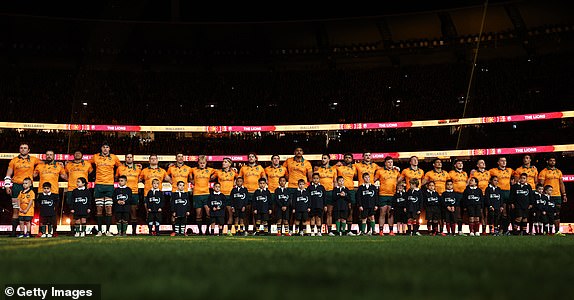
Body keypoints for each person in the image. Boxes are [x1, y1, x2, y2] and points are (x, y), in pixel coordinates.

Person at [5, 144, 41, 237]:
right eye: (21, 148)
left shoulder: (34, 159)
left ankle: (29, 232)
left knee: (29, 209)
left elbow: (43, 164)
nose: (23, 149)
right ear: (19, 149)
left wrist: (36, 171)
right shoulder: (14, 160)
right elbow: (8, 174)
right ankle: (14, 232)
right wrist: (7, 186)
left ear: (28, 150)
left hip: (29, 187)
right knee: (16, 209)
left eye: (25, 148)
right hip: (17, 186)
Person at [89, 142, 122, 237]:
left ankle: (107, 231)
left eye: (107, 147)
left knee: (109, 209)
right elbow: (87, 164)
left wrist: (116, 176)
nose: (105, 149)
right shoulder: (95, 157)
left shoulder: (114, 157)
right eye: (104, 147)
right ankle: (99, 231)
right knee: (99, 209)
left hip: (109, 185)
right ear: (101, 148)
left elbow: (120, 167)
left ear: (109, 149)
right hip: (99, 185)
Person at [140, 155, 170, 233]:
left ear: (157, 160)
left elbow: (170, 180)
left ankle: (157, 230)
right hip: (147, 195)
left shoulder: (162, 171)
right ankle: (150, 230)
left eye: (155, 159)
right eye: (151, 159)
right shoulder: (144, 170)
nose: (153, 160)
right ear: (149, 161)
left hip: (158, 196)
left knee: (158, 214)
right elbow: (138, 179)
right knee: (148, 213)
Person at [538, 155, 567, 236]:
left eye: (554, 160)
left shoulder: (559, 172)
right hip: (547, 196)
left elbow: (561, 184)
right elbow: (541, 185)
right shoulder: (543, 172)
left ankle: (557, 231)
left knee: (557, 213)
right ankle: (546, 231)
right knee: (545, 214)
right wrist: (541, 195)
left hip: (557, 195)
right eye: (551, 160)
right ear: (547, 161)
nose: (552, 162)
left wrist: (564, 194)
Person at [115, 153, 142, 235]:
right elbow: (116, 178)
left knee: (133, 213)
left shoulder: (138, 168)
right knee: (121, 213)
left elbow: (140, 179)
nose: (129, 158)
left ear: (133, 159)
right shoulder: (120, 168)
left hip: (134, 193)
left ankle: (134, 232)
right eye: (127, 157)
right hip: (122, 192)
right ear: (125, 158)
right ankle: (121, 232)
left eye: (131, 157)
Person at [239, 153, 267, 231]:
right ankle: (245, 229)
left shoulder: (260, 168)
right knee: (246, 212)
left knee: (256, 212)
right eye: (249, 157)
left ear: (255, 158)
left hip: (257, 193)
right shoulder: (243, 168)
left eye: (252, 157)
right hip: (246, 193)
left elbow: (264, 179)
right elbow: (239, 179)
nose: (251, 158)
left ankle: (256, 229)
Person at [64, 150, 93, 225]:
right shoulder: (68, 165)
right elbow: (64, 175)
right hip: (71, 189)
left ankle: (83, 230)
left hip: (84, 190)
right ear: (73, 155)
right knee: (72, 209)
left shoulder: (87, 164)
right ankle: (73, 229)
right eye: (76, 153)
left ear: (82, 155)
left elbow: (90, 173)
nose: (77, 155)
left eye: (79, 153)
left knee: (84, 209)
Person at [374, 156, 400, 236]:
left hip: (393, 195)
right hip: (382, 194)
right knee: (382, 212)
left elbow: (400, 181)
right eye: (388, 162)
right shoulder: (380, 171)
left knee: (390, 213)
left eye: (391, 162)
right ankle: (381, 231)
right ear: (385, 163)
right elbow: (374, 180)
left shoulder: (396, 172)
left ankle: (391, 231)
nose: (390, 164)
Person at [489, 156, 514, 235]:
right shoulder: (493, 171)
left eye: (505, 161)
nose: (504, 162)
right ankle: (499, 229)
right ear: (498, 162)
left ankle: (505, 229)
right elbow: (485, 174)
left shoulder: (509, 170)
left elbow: (518, 174)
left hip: (508, 192)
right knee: (502, 212)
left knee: (509, 212)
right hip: (499, 192)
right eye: (502, 161)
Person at [212, 157, 238, 228]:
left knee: (230, 213)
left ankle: (229, 230)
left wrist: (235, 182)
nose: (223, 163)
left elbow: (240, 179)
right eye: (223, 162)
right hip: (221, 196)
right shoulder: (218, 172)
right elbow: (211, 178)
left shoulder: (233, 173)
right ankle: (221, 230)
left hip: (230, 195)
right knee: (221, 214)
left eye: (225, 162)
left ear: (230, 164)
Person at [335, 153, 357, 235]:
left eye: (349, 158)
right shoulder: (339, 167)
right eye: (346, 158)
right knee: (340, 209)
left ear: (352, 159)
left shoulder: (355, 167)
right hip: (341, 189)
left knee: (350, 209)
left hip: (350, 190)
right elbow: (331, 169)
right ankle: (340, 230)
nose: (348, 159)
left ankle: (349, 230)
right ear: (344, 159)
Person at [317, 154, 337, 235]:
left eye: (325, 158)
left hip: (330, 192)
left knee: (329, 212)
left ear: (329, 159)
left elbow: (335, 182)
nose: (323, 160)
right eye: (322, 158)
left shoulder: (333, 169)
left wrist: (335, 192)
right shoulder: (318, 170)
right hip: (321, 193)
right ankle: (319, 231)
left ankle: (329, 231)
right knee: (320, 212)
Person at [449, 159, 468, 235]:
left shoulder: (465, 173)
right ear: (455, 165)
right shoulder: (451, 173)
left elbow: (466, 183)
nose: (460, 164)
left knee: (463, 212)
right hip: (455, 194)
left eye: (461, 163)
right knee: (456, 212)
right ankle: (453, 231)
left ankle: (460, 230)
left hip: (464, 195)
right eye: (458, 163)